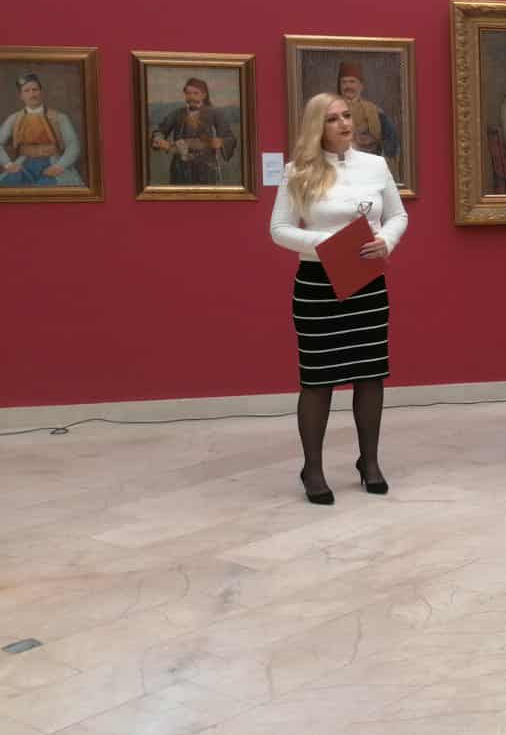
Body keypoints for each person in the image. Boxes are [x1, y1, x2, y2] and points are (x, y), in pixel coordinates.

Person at [269, 93, 408, 503]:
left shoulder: (375, 165)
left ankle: (370, 462)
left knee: (370, 373)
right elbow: (278, 230)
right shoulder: (297, 171)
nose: (345, 123)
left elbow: (398, 215)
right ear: (317, 126)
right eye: (333, 119)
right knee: (318, 379)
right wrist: (326, 243)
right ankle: (312, 469)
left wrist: (386, 240)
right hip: (317, 285)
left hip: (367, 282)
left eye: (347, 115)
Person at [0, 73, 84, 187]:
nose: (32, 94)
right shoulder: (14, 118)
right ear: (21, 96)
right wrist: (8, 164)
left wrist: (59, 166)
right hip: (23, 165)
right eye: (27, 91)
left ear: (41, 92)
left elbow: (73, 144)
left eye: (35, 90)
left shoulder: (59, 117)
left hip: (52, 163)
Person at [150, 76, 236, 185]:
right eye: (188, 93)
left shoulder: (215, 114)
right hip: (180, 168)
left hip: (206, 168)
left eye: (195, 93)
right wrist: (159, 140)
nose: (191, 97)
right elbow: (159, 131)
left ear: (204, 95)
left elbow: (229, 138)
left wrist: (221, 142)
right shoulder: (177, 114)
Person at [336, 62, 400, 173]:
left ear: (361, 86)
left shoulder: (375, 111)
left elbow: (390, 143)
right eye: (344, 82)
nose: (348, 86)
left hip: (369, 168)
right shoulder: (329, 110)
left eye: (352, 82)